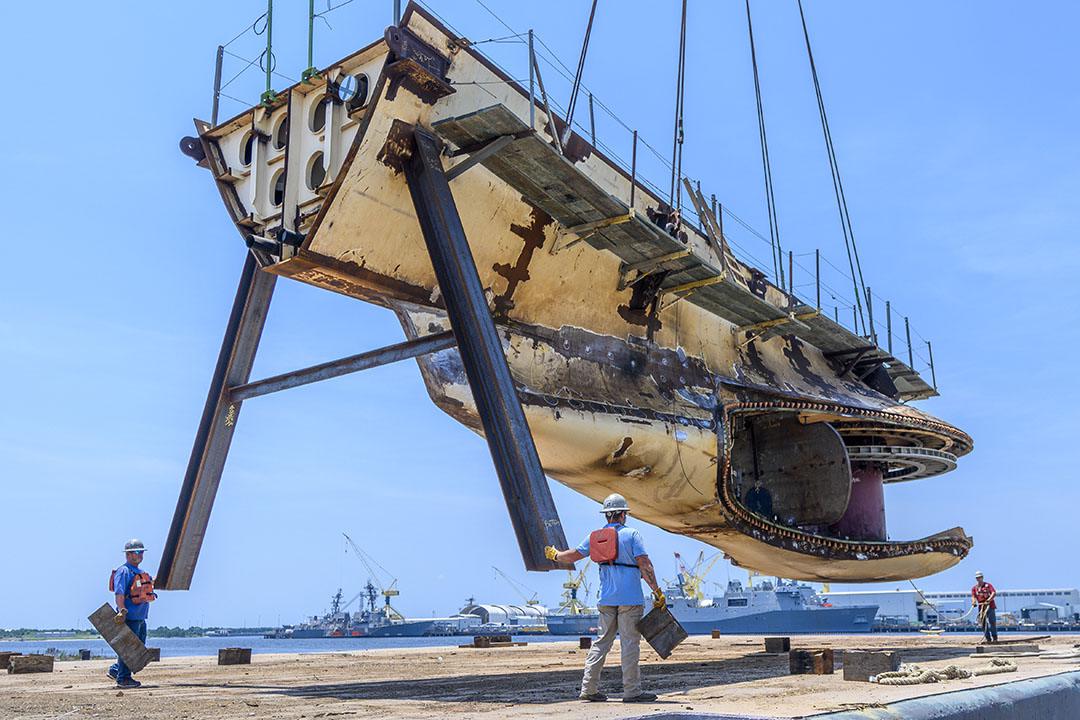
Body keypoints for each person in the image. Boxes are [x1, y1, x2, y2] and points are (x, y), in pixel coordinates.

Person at [545, 493, 664, 704]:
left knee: (600, 644)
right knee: (629, 645)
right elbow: (645, 565)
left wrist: (555, 554)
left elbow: (572, 556)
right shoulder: (632, 534)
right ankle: (632, 692)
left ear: (607, 515)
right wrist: (656, 591)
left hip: (606, 599)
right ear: (623, 515)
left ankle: (588, 689)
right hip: (630, 599)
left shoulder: (596, 536)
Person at [108, 539, 157, 688]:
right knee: (128, 648)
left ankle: (116, 670)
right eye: (137, 552)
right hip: (130, 617)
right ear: (128, 554)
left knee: (138, 647)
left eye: (141, 552)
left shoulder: (141, 573)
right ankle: (123, 678)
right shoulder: (124, 571)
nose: (140, 555)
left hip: (141, 616)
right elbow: (120, 593)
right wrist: (121, 610)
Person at [971, 570, 998, 643]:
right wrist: (973, 602)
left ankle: (994, 638)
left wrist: (989, 600)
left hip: (990, 606)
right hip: (981, 607)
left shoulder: (988, 585)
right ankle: (988, 638)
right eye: (977, 578)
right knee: (983, 623)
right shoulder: (975, 588)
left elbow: (993, 593)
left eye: (980, 577)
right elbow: (973, 596)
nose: (978, 579)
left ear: (982, 577)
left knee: (992, 622)